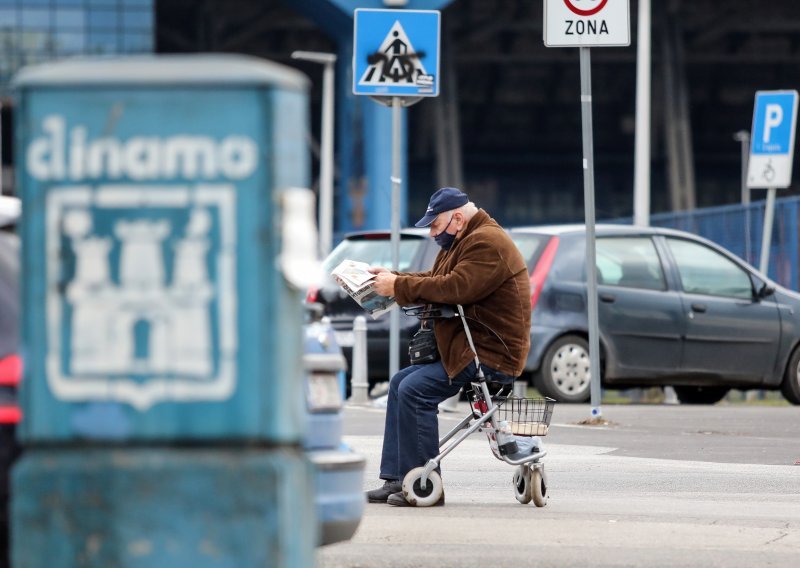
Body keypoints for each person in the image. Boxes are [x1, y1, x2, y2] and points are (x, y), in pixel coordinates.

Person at [365, 187, 531, 507]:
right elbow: (435, 277)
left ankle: (426, 483)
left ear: (457, 218)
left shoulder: (487, 242)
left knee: (414, 389)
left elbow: (456, 287)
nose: (432, 234)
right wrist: (392, 277)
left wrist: (398, 286)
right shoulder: (464, 239)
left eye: (435, 226)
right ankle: (398, 479)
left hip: (490, 352)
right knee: (401, 383)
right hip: (469, 346)